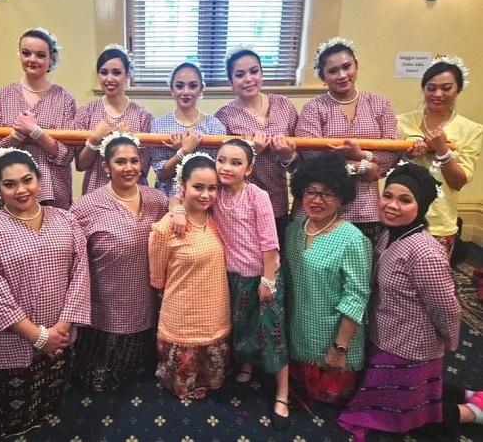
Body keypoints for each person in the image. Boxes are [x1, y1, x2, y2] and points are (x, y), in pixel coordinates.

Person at [338, 162, 483, 441]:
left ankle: (470, 413)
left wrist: (450, 341)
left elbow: (447, 307)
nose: (392, 205)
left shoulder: (425, 252)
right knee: (399, 395)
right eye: (388, 196)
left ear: (422, 205)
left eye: (405, 200)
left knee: (398, 411)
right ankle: (461, 394)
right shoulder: (388, 234)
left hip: (411, 345)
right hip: (387, 334)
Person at [0, 148, 91, 439]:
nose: (21, 190)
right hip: (14, 338)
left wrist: (62, 327)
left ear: (39, 179)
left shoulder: (66, 220)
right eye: (9, 184)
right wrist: (38, 336)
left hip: (61, 331)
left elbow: (80, 275)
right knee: (10, 407)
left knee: (51, 393)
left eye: (27, 180)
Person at [171, 139, 290, 429]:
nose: (226, 167)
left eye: (236, 163)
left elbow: (269, 242)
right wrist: (177, 210)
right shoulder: (215, 192)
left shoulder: (257, 196)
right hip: (232, 276)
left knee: (271, 332)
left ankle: (283, 394)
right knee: (241, 327)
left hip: (263, 275)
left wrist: (268, 280)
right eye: (222, 160)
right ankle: (246, 366)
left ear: (248, 169)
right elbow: (178, 195)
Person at [70, 133, 168, 391]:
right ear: (106, 166)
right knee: (98, 380)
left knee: (138, 373)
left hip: (144, 298)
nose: (129, 168)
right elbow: (72, 258)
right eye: (120, 162)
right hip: (106, 303)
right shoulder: (87, 206)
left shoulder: (157, 200)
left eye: (134, 161)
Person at [284, 154, 371, 404]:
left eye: (328, 193)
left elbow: (356, 298)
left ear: (342, 197)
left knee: (328, 403)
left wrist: (340, 347)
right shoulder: (293, 231)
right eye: (310, 192)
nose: (317, 200)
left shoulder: (353, 239)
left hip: (333, 339)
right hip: (299, 332)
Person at [295, 37, 397, 242]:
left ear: (356, 66)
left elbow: (389, 156)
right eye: (333, 71)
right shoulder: (314, 108)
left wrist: (361, 154)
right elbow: (311, 158)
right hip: (319, 207)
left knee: (361, 260)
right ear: (322, 76)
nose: (342, 75)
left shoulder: (379, 104)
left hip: (365, 209)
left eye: (346, 67)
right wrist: (363, 166)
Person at [149, 153, 230, 400]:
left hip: (215, 310)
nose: (206, 195)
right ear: (182, 185)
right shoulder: (166, 228)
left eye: (212, 188)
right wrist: (176, 209)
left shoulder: (219, 218)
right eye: (198, 187)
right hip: (182, 314)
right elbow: (158, 279)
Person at [398, 56, 482, 259]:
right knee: (393, 274)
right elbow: (386, 167)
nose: (437, 94)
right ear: (423, 88)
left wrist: (442, 150)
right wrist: (406, 154)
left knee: (432, 276)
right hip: (399, 215)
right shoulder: (401, 122)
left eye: (446, 88)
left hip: (439, 221)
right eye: (431, 88)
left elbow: (459, 182)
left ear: (458, 90)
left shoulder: (471, 129)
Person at [214, 47, 298, 248]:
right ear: (231, 81)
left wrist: (286, 155)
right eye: (240, 74)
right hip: (240, 204)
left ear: (262, 73)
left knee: (274, 254)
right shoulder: (224, 116)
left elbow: (299, 162)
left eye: (254, 71)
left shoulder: (284, 105)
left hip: (277, 200)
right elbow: (221, 168)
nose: (248, 79)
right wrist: (251, 151)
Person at [0, 27, 75, 210]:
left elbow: (66, 155)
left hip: (54, 188)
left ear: (52, 58)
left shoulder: (65, 99)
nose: (32, 60)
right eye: (26, 53)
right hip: (13, 190)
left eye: (40, 55)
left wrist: (35, 132)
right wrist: (18, 135)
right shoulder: (1, 96)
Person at [75, 44, 153, 195]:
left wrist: (126, 140)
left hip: (132, 193)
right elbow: (80, 165)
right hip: (96, 191)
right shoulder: (87, 112)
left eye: (116, 73)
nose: (109, 79)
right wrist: (94, 140)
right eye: (104, 73)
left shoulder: (143, 116)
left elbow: (144, 168)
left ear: (127, 75)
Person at [151, 62, 226, 198]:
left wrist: (186, 151)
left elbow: (218, 172)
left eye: (192, 86)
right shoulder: (158, 125)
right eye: (180, 86)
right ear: (172, 89)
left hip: (204, 199)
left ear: (201, 89)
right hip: (167, 199)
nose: (186, 92)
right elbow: (161, 173)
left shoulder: (215, 126)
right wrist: (183, 151)